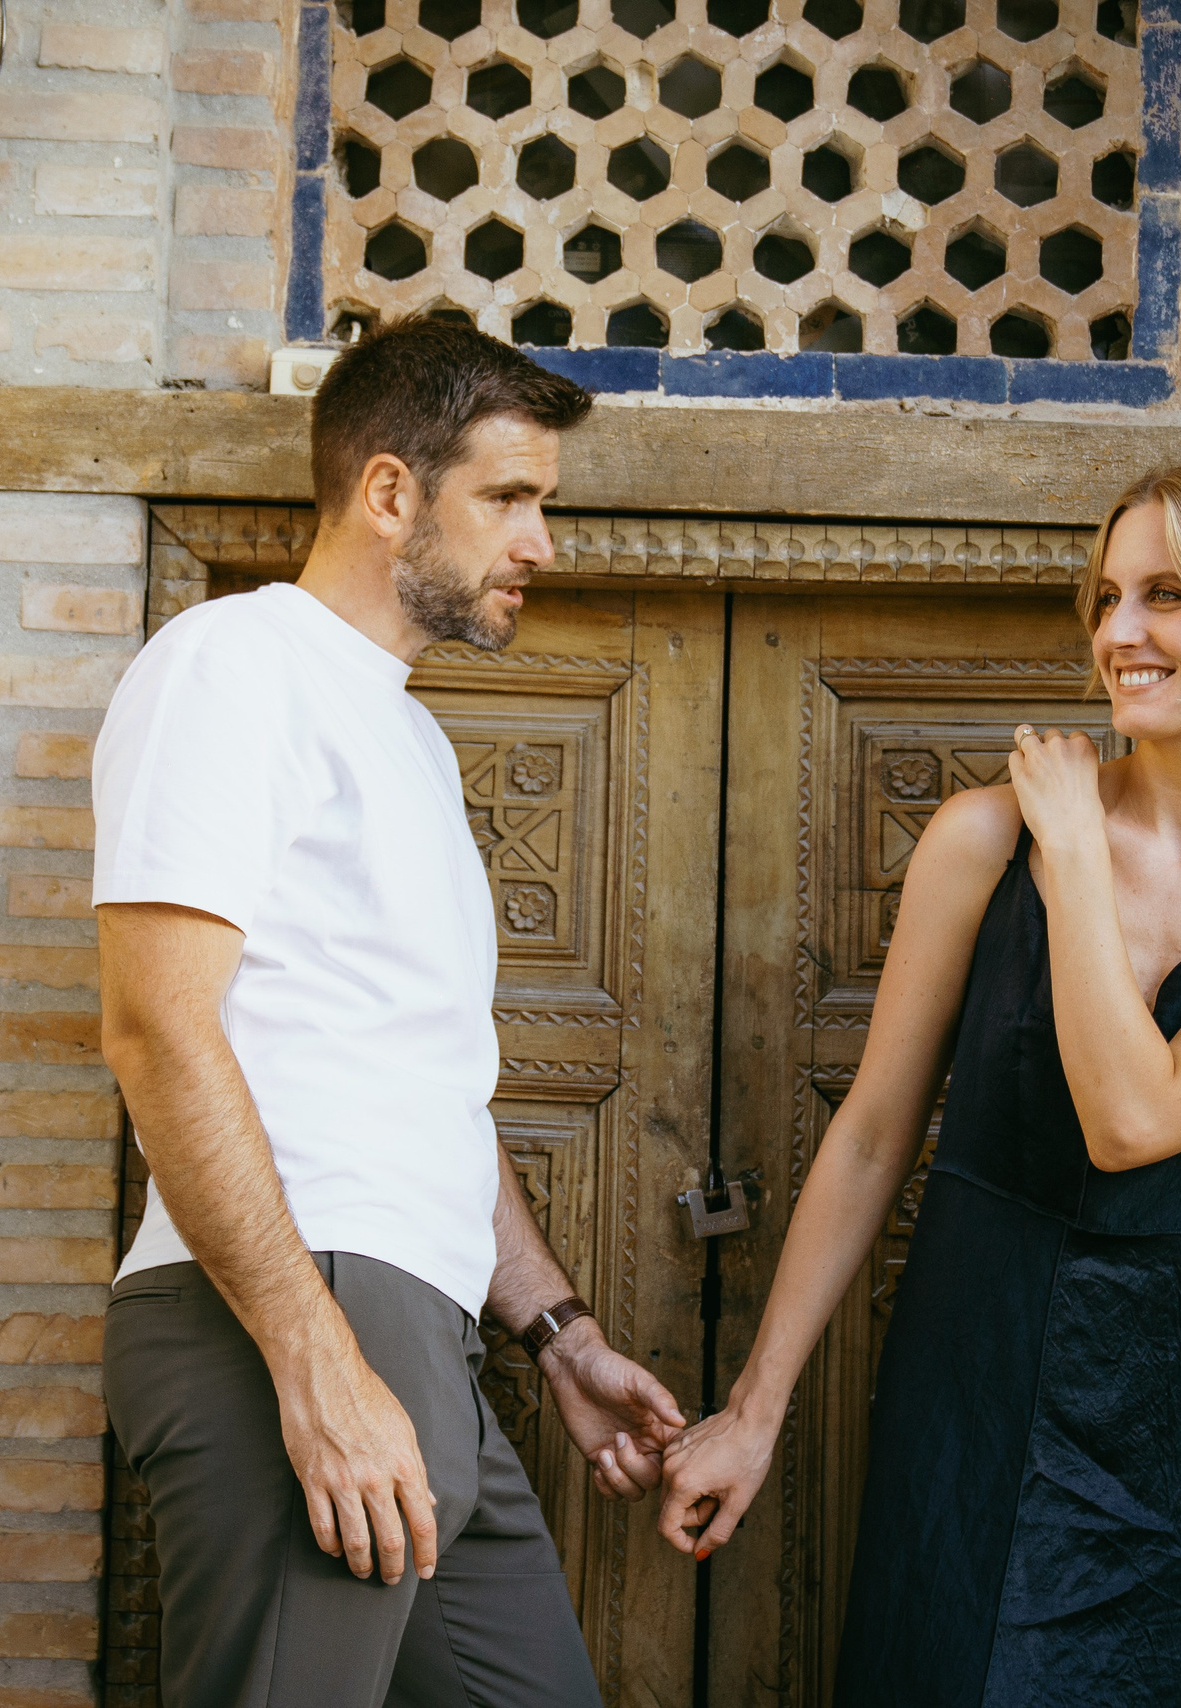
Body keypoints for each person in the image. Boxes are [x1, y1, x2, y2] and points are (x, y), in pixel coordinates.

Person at [655, 454, 1181, 1704]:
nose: (1119, 632)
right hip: (969, 1385)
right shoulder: (977, 837)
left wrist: (1072, 847)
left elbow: (1136, 1119)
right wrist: (752, 1408)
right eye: (1108, 596)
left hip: (1178, 1437)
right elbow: (870, 1136)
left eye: (1168, 595)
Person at [95, 317, 684, 1708]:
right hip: (294, 1316)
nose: (541, 541)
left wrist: (559, 1336)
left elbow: (422, 1091)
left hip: (415, 1330)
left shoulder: (408, 733)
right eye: (510, 498)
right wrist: (317, 1362)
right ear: (387, 493)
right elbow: (157, 1029)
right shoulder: (234, 666)